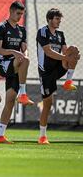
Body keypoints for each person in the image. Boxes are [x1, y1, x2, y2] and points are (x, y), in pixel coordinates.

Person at [36, 8, 80, 144]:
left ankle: (68, 81)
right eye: (56, 18)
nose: (59, 21)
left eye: (59, 18)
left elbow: (66, 51)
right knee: (48, 104)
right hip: (46, 72)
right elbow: (48, 52)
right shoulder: (43, 32)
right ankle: (42, 136)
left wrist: (72, 56)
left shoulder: (60, 34)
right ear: (49, 19)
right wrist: (66, 57)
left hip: (58, 67)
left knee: (74, 51)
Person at [0, 0, 34, 144]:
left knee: (10, 101)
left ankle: (0, 136)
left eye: (22, 14)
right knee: (26, 61)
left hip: (17, 65)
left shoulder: (21, 30)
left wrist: (24, 53)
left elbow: (25, 47)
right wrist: (14, 52)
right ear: (10, 11)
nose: (19, 16)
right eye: (18, 13)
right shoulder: (1, 27)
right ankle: (23, 93)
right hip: (4, 63)